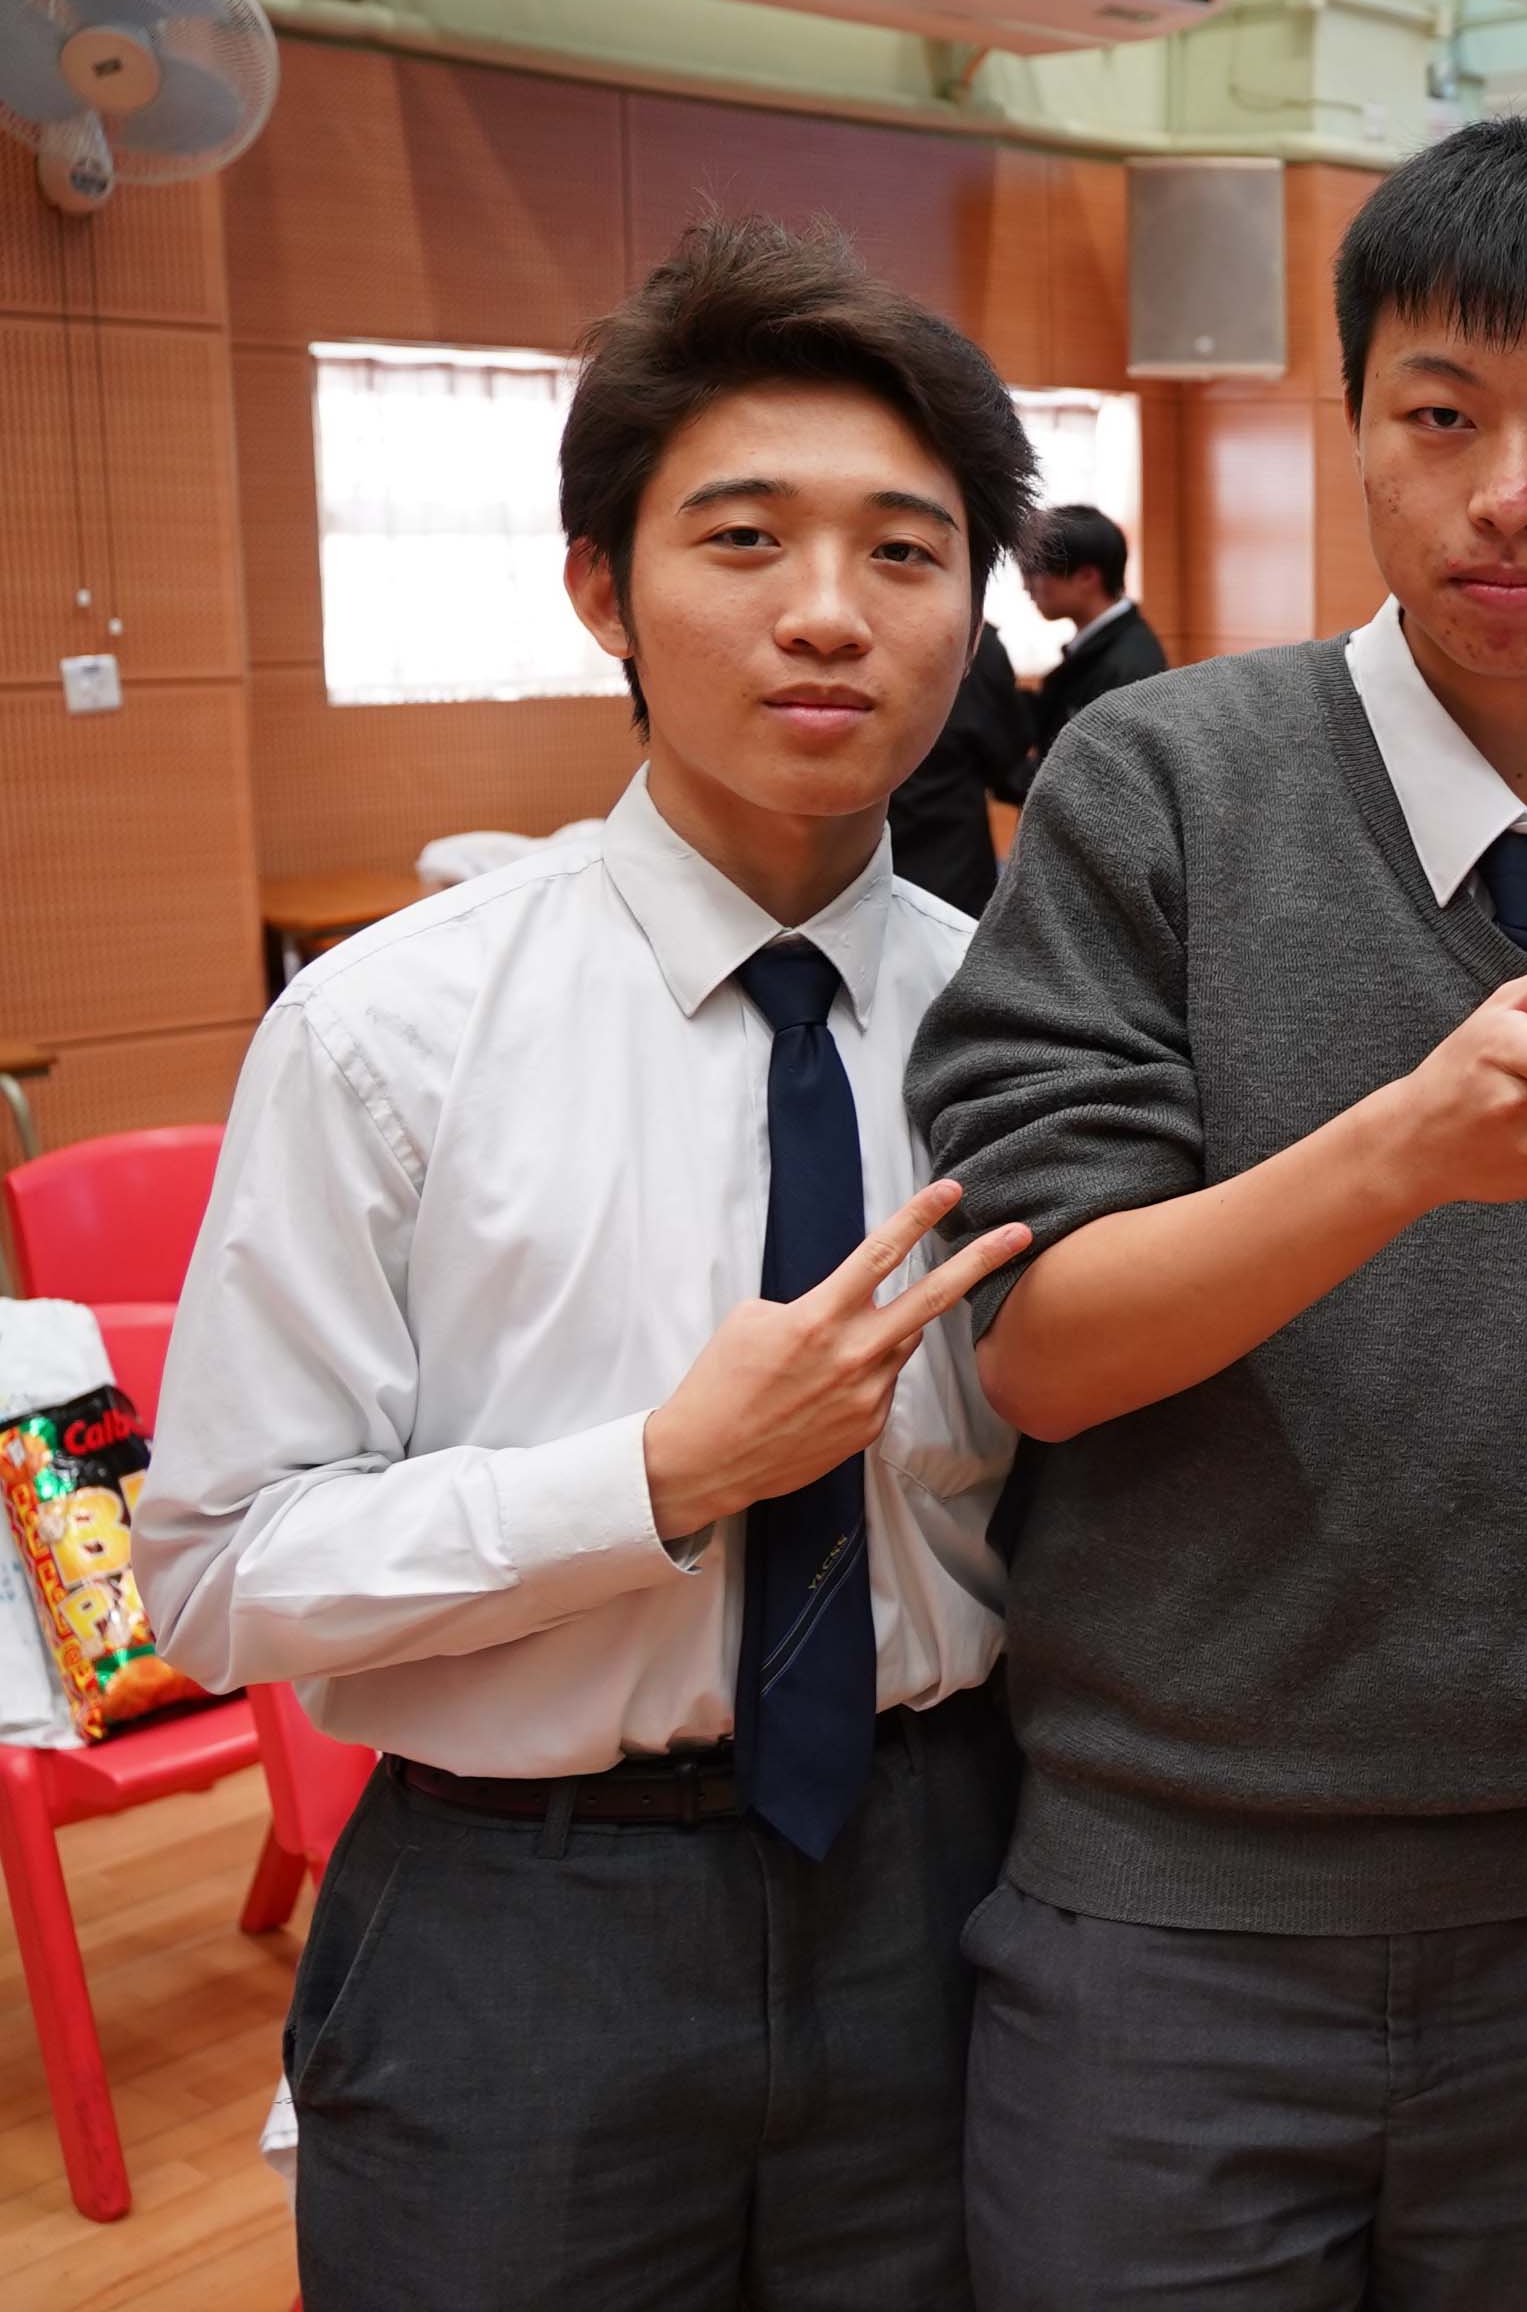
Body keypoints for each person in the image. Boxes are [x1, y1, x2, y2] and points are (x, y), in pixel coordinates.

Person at [903, 113, 1527, 2311]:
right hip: (1172, 1911)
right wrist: (1406, 1146)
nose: (1512, 493)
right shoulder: (1162, 783)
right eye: (1441, 416)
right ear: (1356, 431)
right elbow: (1044, 1345)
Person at [135, 219, 1043, 2310]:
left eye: (905, 553)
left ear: (969, 611)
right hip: (523, 1923)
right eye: (745, 538)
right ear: (600, 589)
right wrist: (651, 1475)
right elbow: (214, 1566)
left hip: (946, 1881)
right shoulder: (387, 1033)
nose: (829, 611)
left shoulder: (1024, 1022)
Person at [886, 614, 1033, 915]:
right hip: (955, 865)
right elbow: (1007, 756)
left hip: (867, 860)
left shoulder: (866, 635)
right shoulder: (977, 645)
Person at [1023, 501, 1166, 763]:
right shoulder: (1100, 647)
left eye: (1037, 572)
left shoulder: (1128, 667)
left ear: (1087, 577)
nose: (1027, 586)